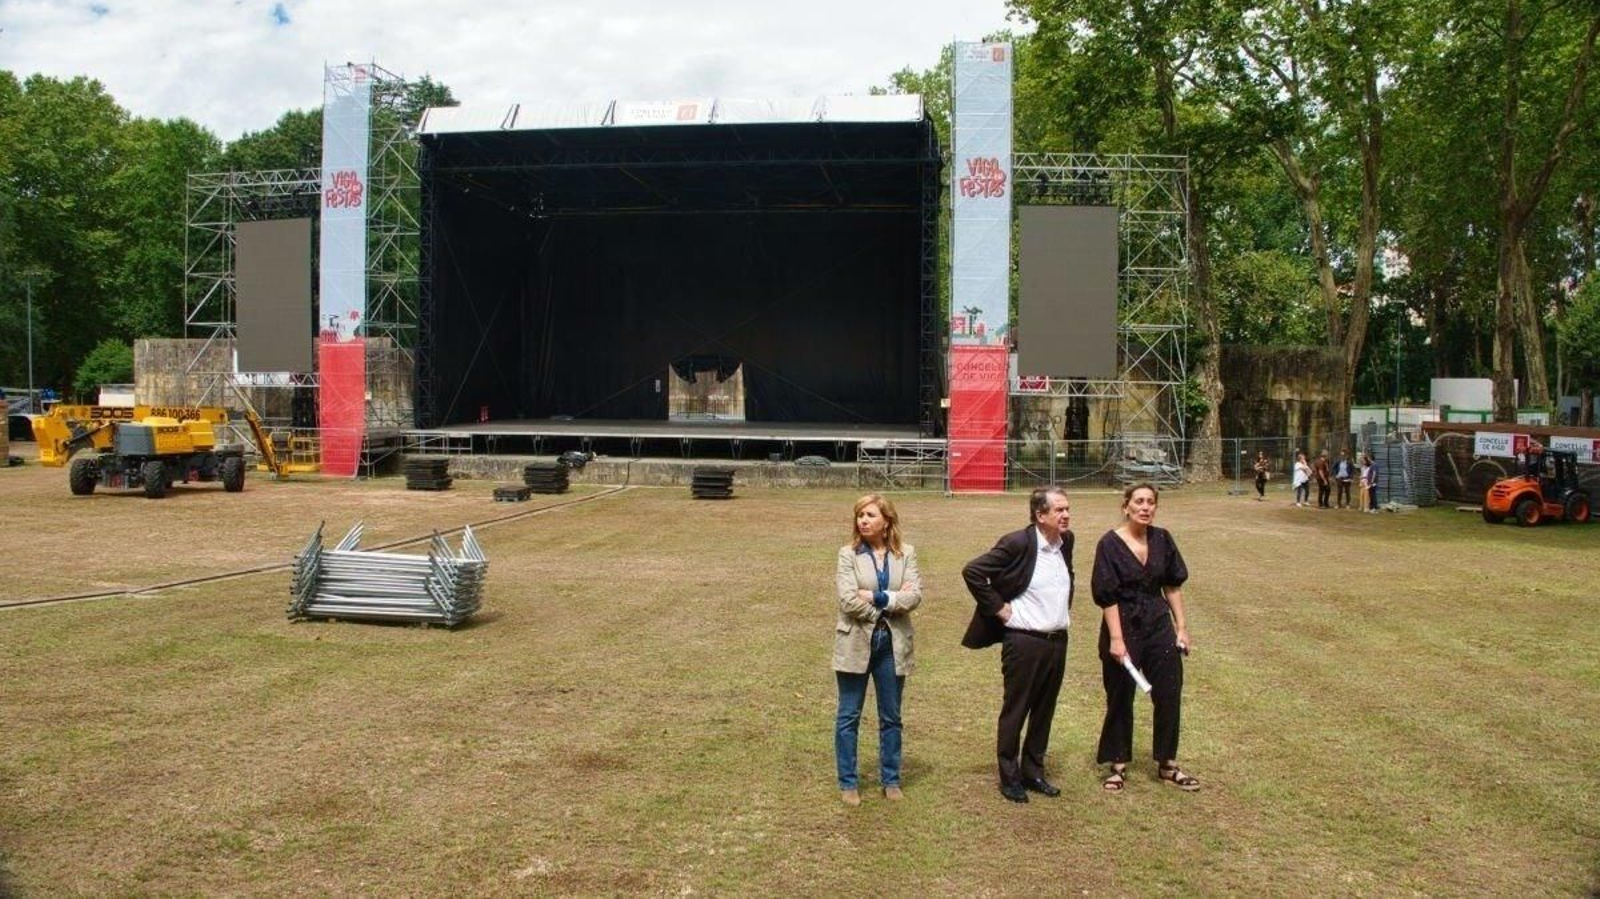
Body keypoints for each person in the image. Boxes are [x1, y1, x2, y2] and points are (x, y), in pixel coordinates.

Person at [961, 485, 1075, 804]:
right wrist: (998, 608)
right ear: (1040, 515)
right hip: (1024, 640)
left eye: (1067, 509)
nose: (1066, 515)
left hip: (1057, 641)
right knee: (1017, 708)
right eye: (1059, 510)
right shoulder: (1018, 543)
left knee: (1044, 709)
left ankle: (1033, 772)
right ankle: (1010, 777)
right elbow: (973, 571)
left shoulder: (1066, 542)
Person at [1093, 482, 1199, 793]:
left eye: (1150, 502)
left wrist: (1181, 627)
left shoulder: (1163, 539)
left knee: (1169, 692)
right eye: (1138, 501)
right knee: (1120, 695)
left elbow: (1172, 586)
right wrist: (1116, 639)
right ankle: (1117, 764)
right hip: (1122, 625)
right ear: (1126, 506)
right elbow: (1107, 596)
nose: (1145, 507)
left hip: (1158, 624)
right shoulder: (1109, 544)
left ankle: (1167, 764)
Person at [833, 494, 922, 806]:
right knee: (849, 715)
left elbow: (914, 596)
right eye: (860, 515)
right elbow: (847, 600)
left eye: (870, 515)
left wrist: (875, 597)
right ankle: (848, 782)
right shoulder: (848, 554)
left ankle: (891, 779)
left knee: (891, 716)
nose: (863, 520)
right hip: (855, 641)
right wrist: (890, 603)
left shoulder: (906, 554)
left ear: (887, 521)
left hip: (892, 644)